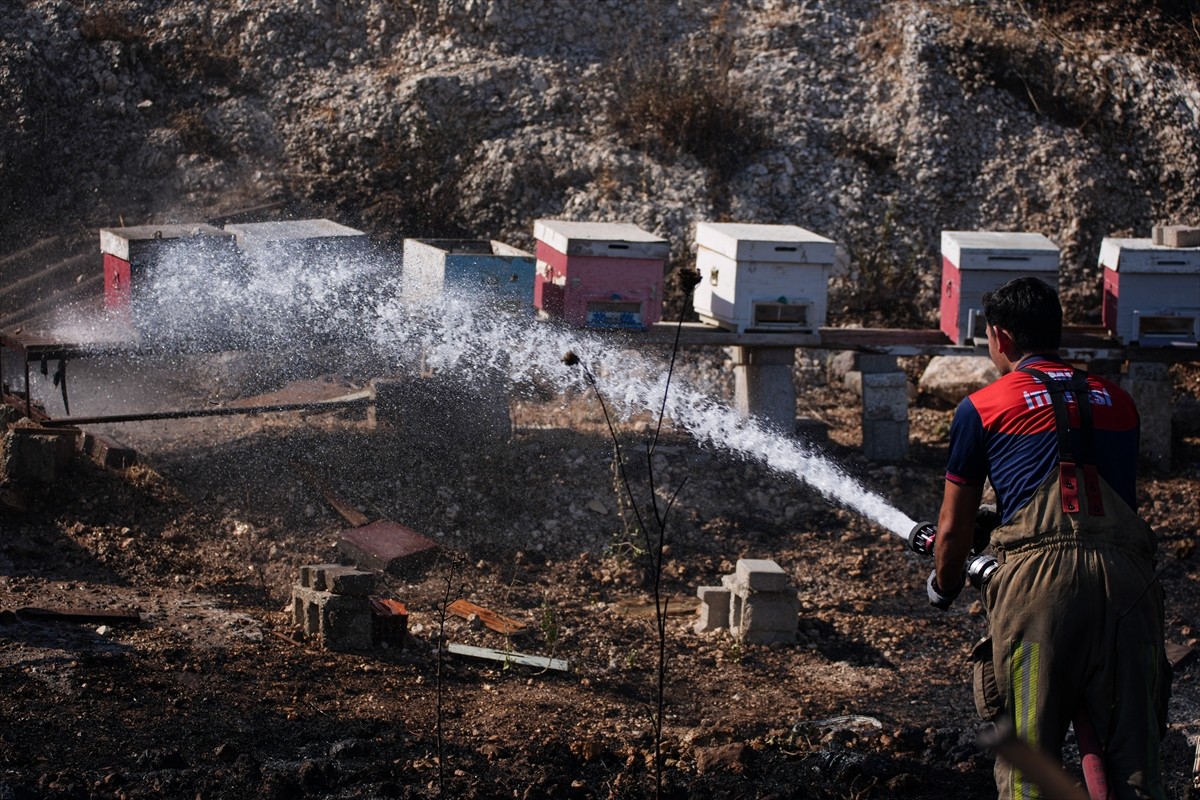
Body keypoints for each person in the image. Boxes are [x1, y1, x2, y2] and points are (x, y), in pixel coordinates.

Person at [925, 276, 1170, 799]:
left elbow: (952, 530)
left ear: (1001, 337)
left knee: (1032, 764)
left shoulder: (984, 406)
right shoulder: (1120, 403)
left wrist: (944, 586)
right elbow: (1094, 498)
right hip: (1131, 588)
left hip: (1041, 594)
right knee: (1136, 759)